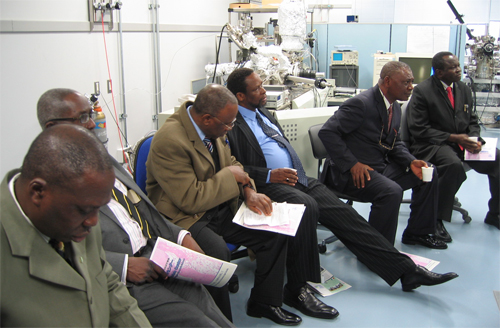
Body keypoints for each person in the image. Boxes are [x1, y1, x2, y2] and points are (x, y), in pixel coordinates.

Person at [225, 67, 457, 293]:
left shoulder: (263, 113)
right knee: (309, 207)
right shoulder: (230, 124)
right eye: (257, 89)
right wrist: (268, 174)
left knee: (349, 218)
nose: (264, 91)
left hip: (296, 178)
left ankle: (406, 272)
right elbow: (230, 166)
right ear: (240, 96)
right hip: (266, 184)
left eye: (263, 85)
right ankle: (301, 287)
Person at [36, 88, 234, 328]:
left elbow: (145, 209)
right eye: (82, 118)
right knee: (199, 323)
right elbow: (57, 253)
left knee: (217, 319)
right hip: (125, 277)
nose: (91, 125)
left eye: (90, 115)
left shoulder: (101, 157)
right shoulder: (46, 186)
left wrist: (181, 236)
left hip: (158, 255)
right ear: (51, 127)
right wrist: (124, 265)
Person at [146, 83, 338, 326]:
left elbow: (232, 162)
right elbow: (190, 199)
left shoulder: (216, 125)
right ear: (206, 119)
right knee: (216, 254)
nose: (229, 129)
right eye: (227, 125)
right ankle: (220, 321)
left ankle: (264, 302)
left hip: (219, 204)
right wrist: (232, 177)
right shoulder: (170, 140)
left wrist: (248, 190)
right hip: (186, 215)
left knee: (274, 233)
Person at [1, 124, 152, 327]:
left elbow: (107, 283)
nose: (93, 222)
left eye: (98, 209)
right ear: (38, 192)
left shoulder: (78, 216)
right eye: (83, 210)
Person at [316, 62, 448, 247]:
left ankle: (418, 233)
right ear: (387, 81)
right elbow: (327, 132)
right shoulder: (361, 104)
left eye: (412, 82)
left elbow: (395, 142)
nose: (411, 87)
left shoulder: (395, 107)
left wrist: (411, 162)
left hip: (378, 167)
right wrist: (352, 164)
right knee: (390, 191)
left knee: (428, 172)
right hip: (348, 174)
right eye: (406, 82)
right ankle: (378, 251)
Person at [407, 51, 500, 230]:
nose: (459, 70)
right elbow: (419, 129)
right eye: (453, 67)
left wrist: (474, 139)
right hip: (434, 144)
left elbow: (472, 120)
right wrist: (454, 138)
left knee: (497, 159)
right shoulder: (423, 91)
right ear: (439, 72)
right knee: (453, 166)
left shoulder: (463, 89)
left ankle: (495, 214)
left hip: (462, 143)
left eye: (458, 66)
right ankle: (436, 219)